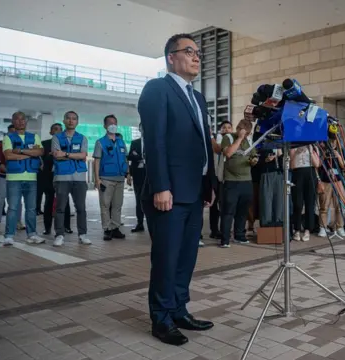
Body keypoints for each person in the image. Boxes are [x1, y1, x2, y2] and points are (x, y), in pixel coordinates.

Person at [138, 33, 216, 346]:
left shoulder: (197, 97)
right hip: (168, 193)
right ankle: (160, 318)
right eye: (189, 51)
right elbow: (154, 142)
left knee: (186, 257)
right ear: (171, 57)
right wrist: (161, 187)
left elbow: (202, 145)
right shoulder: (157, 89)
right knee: (166, 258)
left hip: (194, 191)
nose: (196, 57)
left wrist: (209, 184)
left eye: (198, 52)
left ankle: (179, 309)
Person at [2, 111, 45, 246]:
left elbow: (40, 152)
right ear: (13, 121)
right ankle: (9, 235)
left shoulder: (34, 137)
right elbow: (9, 156)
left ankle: (32, 234)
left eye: (23, 119)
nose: (20, 121)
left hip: (31, 178)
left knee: (31, 208)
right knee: (13, 208)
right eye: (17, 119)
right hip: (14, 178)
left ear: (26, 121)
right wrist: (31, 154)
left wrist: (20, 151)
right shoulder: (8, 138)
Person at [51, 111, 91, 247]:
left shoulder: (82, 138)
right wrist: (74, 154)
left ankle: (83, 234)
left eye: (74, 119)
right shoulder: (56, 138)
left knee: (81, 208)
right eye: (68, 118)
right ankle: (59, 234)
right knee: (60, 208)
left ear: (77, 122)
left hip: (79, 178)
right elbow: (56, 155)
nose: (71, 121)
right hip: (61, 177)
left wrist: (66, 154)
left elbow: (83, 155)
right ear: (64, 120)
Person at [220, 119, 256, 247]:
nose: (245, 136)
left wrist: (254, 160)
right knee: (228, 211)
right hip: (231, 181)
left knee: (243, 211)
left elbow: (253, 156)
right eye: (243, 132)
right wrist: (239, 139)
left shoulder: (249, 140)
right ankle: (224, 239)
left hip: (246, 180)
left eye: (247, 134)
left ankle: (239, 235)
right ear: (238, 128)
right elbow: (228, 153)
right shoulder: (228, 137)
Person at [93, 114, 128, 241]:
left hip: (120, 178)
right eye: (110, 123)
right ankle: (107, 229)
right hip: (106, 178)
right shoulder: (100, 142)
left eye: (115, 123)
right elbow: (96, 161)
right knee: (105, 205)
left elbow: (125, 158)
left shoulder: (121, 142)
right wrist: (97, 179)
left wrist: (127, 173)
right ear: (105, 126)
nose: (113, 126)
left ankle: (115, 227)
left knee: (118, 204)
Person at [40, 122, 71, 235]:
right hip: (48, 177)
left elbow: (69, 157)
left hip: (62, 176)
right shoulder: (44, 144)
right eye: (55, 129)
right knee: (49, 201)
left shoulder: (66, 143)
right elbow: (41, 160)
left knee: (64, 201)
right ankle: (47, 228)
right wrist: (52, 155)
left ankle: (66, 226)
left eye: (60, 129)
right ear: (51, 132)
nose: (58, 131)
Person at [290, 144, 320, 241]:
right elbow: (291, 166)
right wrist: (295, 153)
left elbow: (317, 164)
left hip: (310, 174)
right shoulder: (293, 147)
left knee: (310, 203)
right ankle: (297, 229)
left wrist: (311, 151)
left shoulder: (313, 146)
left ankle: (308, 229)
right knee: (297, 203)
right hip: (297, 174)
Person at [209, 121, 232, 239]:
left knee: (225, 205)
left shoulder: (232, 141)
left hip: (226, 177)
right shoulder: (216, 140)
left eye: (229, 127)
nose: (226, 129)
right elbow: (217, 150)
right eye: (224, 127)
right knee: (213, 205)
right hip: (215, 175)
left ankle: (224, 230)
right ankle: (214, 230)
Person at [128, 123, 146, 233]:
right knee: (138, 199)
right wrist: (141, 158)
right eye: (142, 127)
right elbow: (130, 156)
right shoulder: (135, 143)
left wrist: (138, 157)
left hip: (150, 175)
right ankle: (140, 223)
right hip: (138, 175)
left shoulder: (154, 141)